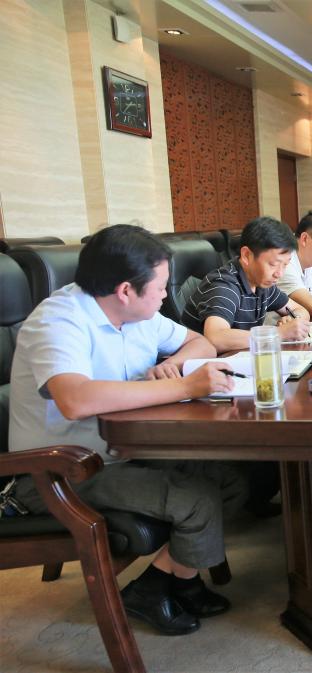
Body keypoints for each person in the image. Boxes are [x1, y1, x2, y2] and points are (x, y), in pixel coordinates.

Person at [8, 224, 246, 636]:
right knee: (197, 499)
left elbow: (202, 344)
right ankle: (156, 589)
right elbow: (75, 398)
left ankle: (174, 580)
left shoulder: (139, 315)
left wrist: (173, 365)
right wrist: (184, 386)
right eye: (160, 287)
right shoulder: (58, 320)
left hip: (125, 448)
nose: (166, 295)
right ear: (124, 290)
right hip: (63, 471)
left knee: (232, 481)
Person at [182, 216, 310, 353]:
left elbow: (300, 310)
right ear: (246, 255)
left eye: (285, 264)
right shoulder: (224, 285)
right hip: (201, 362)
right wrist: (278, 333)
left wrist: (293, 321)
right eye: (273, 264)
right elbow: (215, 338)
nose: (279, 273)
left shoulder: (262, 283)